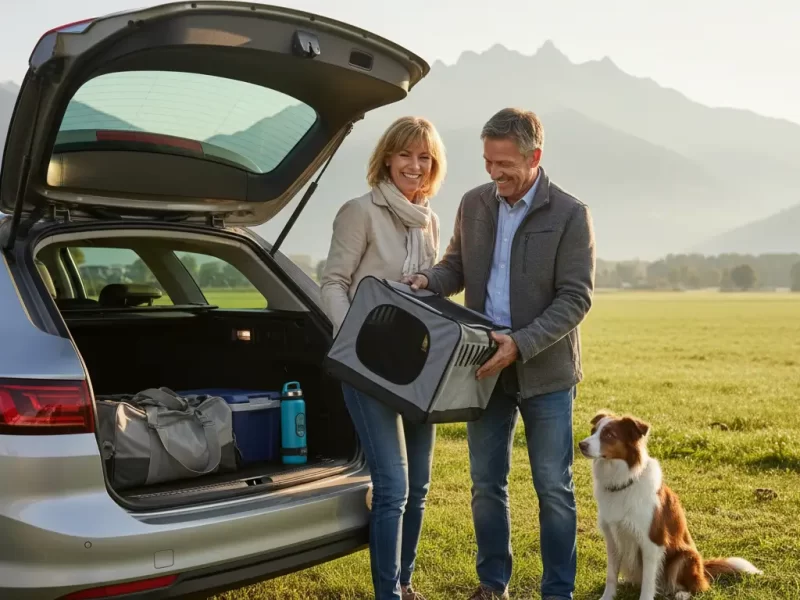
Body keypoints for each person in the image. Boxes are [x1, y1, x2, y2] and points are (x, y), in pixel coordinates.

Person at [403, 107, 596, 600]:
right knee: (486, 484)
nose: (494, 173)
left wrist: (522, 343)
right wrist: (429, 281)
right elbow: (455, 268)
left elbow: (576, 298)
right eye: (488, 161)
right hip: (482, 367)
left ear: (535, 157)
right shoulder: (474, 204)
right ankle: (493, 584)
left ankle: (558, 591)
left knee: (553, 488)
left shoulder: (571, 214)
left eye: (504, 163)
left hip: (546, 372)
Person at [320, 116, 447, 600]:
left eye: (425, 157)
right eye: (405, 155)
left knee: (420, 487)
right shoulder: (360, 211)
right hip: (366, 362)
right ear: (387, 158)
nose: (415, 166)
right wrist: (352, 341)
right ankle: (387, 593)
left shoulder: (430, 219)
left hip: (416, 367)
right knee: (392, 487)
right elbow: (333, 282)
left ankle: (406, 583)